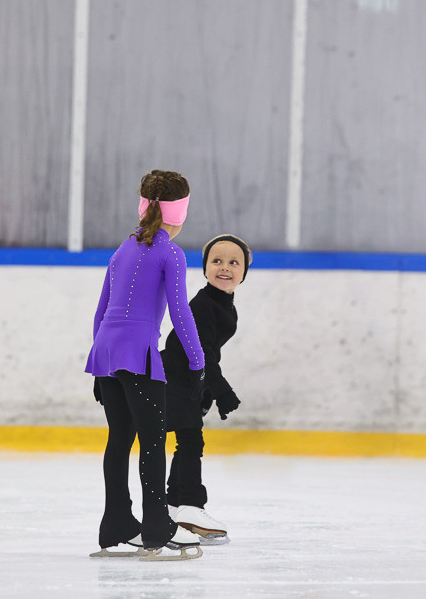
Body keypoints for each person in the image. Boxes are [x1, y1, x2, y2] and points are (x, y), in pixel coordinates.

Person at [85, 170, 205, 561]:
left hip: (106, 352)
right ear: (179, 213)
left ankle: (117, 524)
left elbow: (102, 309)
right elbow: (180, 310)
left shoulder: (123, 248)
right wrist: (197, 360)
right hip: (138, 355)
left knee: (119, 440)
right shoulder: (170, 252)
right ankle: (157, 527)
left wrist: (100, 360)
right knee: (152, 442)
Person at [161, 234, 252, 545]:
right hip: (172, 377)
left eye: (233, 262)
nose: (224, 268)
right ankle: (187, 505)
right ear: (204, 269)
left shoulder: (221, 304)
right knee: (190, 441)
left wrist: (207, 392)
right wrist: (221, 390)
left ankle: (175, 506)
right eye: (217, 261)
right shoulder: (203, 305)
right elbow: (202, 353)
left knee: (188, 440)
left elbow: (209, 351)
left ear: (244, 271)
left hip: (186, 381)